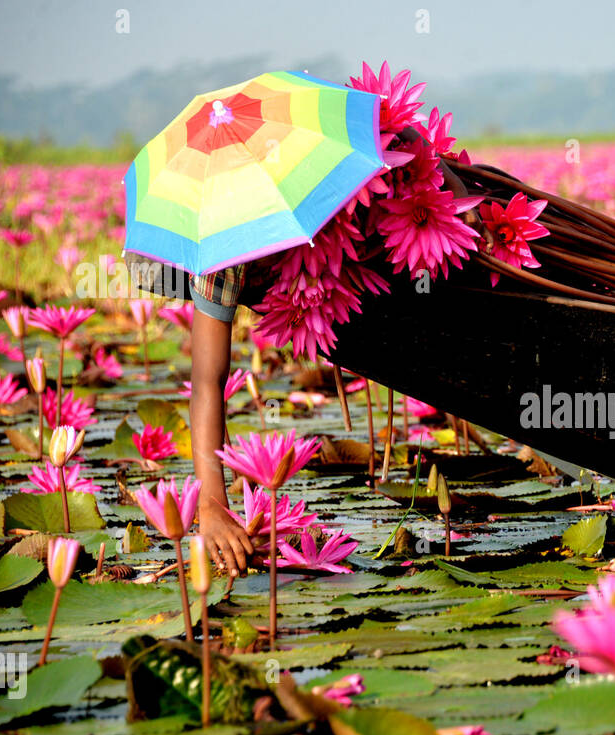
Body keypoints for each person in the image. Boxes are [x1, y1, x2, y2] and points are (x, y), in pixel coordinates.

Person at [180, 141, 478, 574]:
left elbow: (407, 135)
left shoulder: (349, 176)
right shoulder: (222, 254)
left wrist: (454, 195)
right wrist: (210, 505)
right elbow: (208, 380)